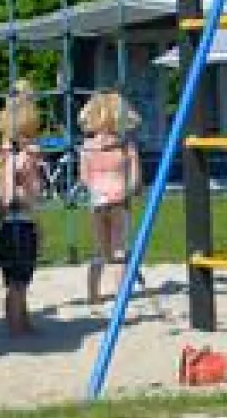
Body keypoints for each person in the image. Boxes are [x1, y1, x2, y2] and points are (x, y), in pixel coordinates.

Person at [78, 90, 142, 303]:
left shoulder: (87, 147)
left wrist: (98, 190)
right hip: (119, 199)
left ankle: (93, 293)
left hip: (97, 200)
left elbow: (84, 179)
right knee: (119, 250)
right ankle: (120, 294)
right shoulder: (125, 147)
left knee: (99, 250)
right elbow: (135, 180)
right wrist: (131, 190)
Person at [0, 84, 44, 337]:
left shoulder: (4, 157)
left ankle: (21, 321)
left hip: (8, 226)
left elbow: (0, 198)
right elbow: (18, 195)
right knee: (18, 282)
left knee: (17, 282)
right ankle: (16, 326)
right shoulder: (20, 158)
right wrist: (30, 188)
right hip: (19, 226)